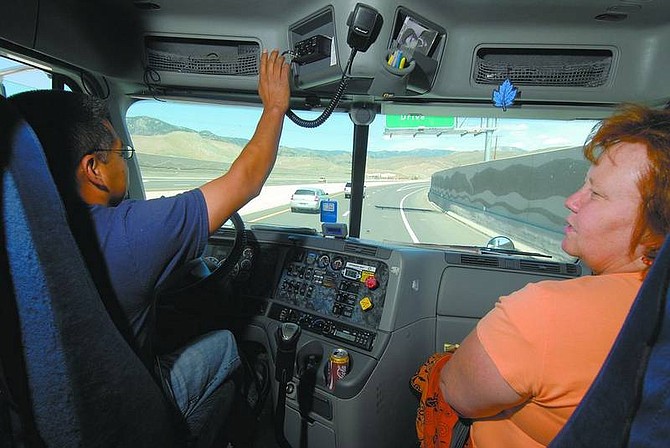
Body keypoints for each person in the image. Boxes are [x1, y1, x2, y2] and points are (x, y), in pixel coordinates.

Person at [10, 49, 290, 444]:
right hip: (133, 417)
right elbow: (245, 181)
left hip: (73, 419)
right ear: (94, 169)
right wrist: (276, 106)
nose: (125, 162)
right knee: (227, 345)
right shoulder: (128, 233)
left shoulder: (26, 241)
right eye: (121, 154)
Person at [438, 104, 670, 447]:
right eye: (583, 185)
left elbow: (454, 391)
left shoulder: (546, 312)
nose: (572, 201)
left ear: (656, 227)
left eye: (596, 194)